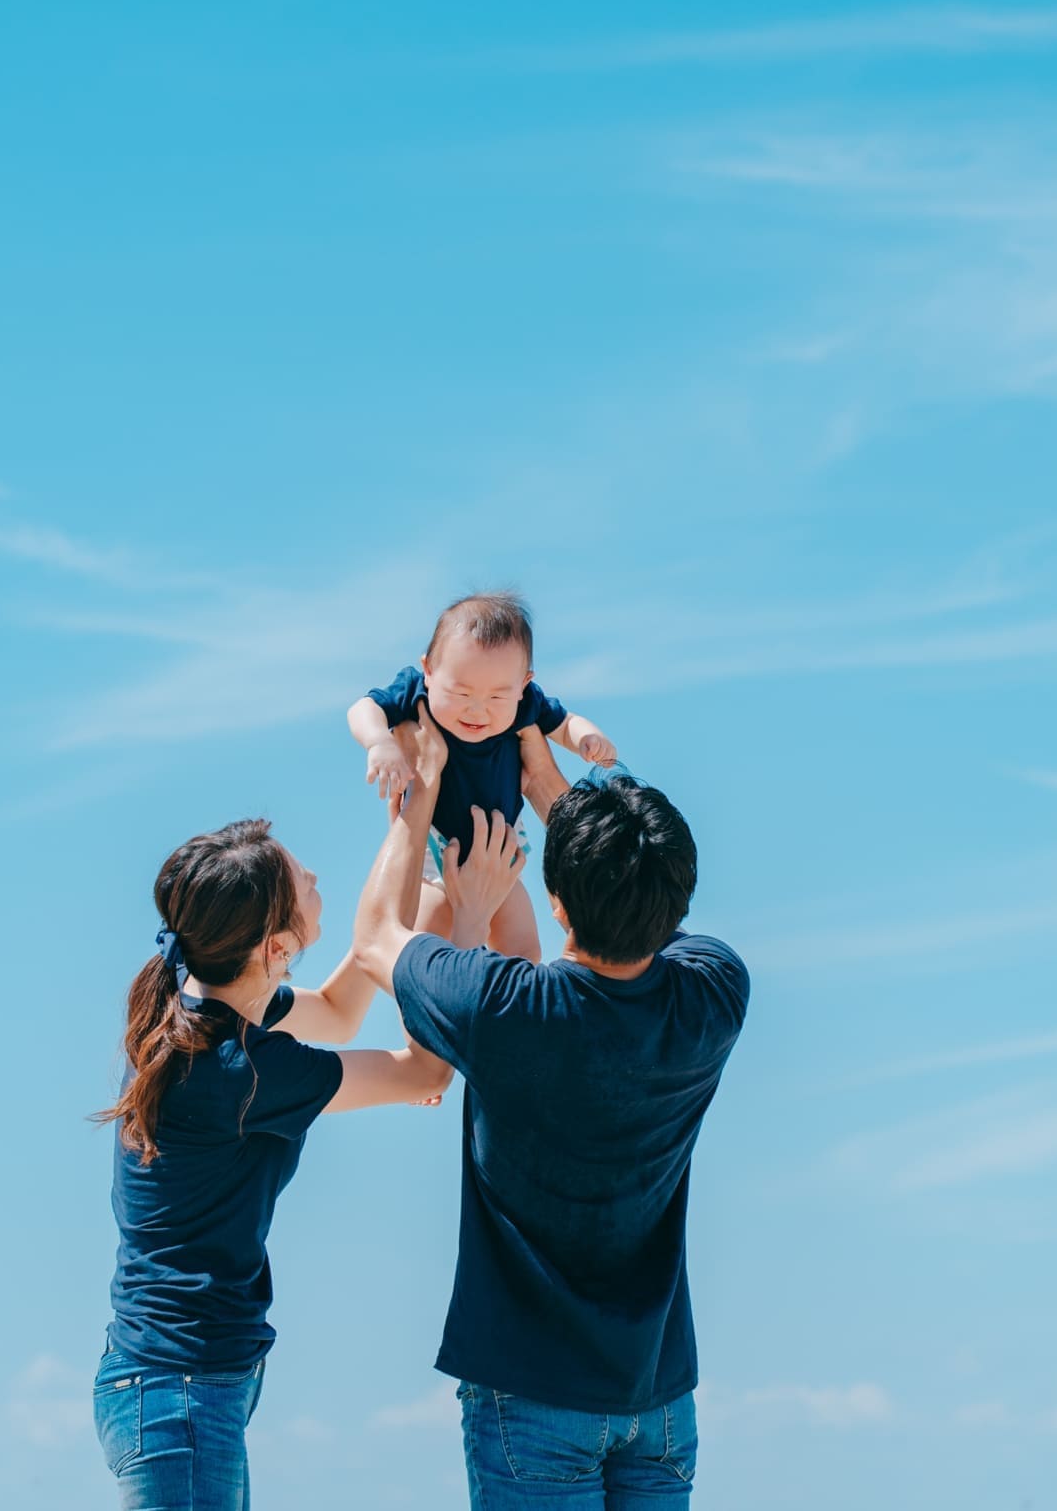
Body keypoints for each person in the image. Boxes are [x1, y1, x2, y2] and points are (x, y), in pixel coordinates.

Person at [91, 735, 523, 1511]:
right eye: (300, 877)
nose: (316, 873)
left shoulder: (206, 1004)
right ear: (276, 945)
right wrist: (470, 918)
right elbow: (422, 1070)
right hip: (180, 1390)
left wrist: (416, 845)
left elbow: (341, 1004)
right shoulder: (240, 1070)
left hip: (176, 1383)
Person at [351, 715, 749, 1510]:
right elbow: (656, 919)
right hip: (660, 1397)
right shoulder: (714, 995)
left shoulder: (504, 1008)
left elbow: (374, 939)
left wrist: (422, 793)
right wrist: (549, 786)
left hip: (530, 1394)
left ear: (557, 902)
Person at [347, 590, 618, 962]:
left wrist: (586, 737)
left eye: (496, 698)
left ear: (523, 684)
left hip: (500, 850)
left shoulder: (527, 704)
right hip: (433, 850)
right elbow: (365, 708)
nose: (477, 710)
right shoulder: (414, 691)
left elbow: (564, 723)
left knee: (524, 951)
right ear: (428, 670)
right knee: (421, 947)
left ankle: (514, 1007)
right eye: (460, 693)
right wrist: (379, 741)